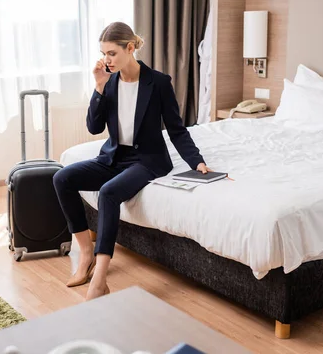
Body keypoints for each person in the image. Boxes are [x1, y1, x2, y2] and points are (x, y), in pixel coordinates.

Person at [53, 21, 210, 300]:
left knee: (109, 192)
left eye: (112, 53)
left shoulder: (158, 82)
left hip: (148, 159)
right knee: (62, 177)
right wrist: (99, 88)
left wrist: (196, 162)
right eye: (103, 53)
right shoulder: (108, 81)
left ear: (129, 48)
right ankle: (85, 255)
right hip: (114, 156)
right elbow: (93, 127)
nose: (106, 59)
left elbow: (176, 129)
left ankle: (99, 279)